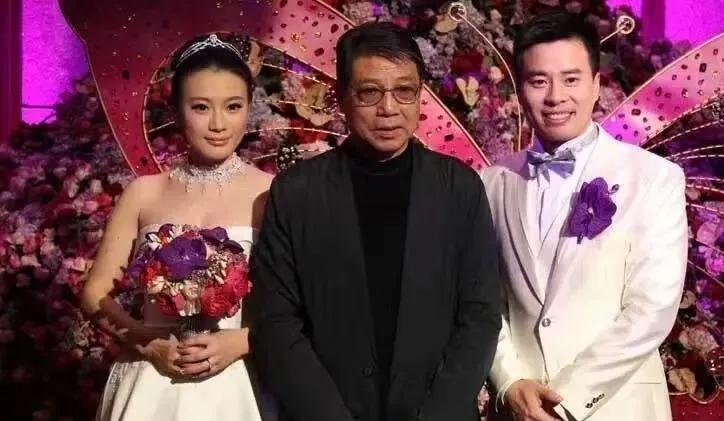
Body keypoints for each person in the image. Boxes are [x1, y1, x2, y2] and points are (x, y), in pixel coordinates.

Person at [248, 21, 501, 421]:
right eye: (369, 92)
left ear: (420, 96)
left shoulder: (459, 188)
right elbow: (275, 322)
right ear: (342, 98)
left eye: (404, 91)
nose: (389, 109)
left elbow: (481, 314)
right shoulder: (297, 192)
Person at [481, 12, 688, 421]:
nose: (555, 96)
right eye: (539, 81)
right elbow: (483, 302)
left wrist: (567, 401)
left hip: (618, 409)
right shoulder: (491, 182)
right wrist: (509, 382)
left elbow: (652, 308)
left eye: (571, 79)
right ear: (520, 90)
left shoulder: (653, 177)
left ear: (596, 85)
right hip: (520, 410)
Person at [80, 34, 275, 421]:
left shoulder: (271, 194)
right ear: (176, 110)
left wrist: (243, 341)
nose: (218, 124)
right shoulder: (144, 193)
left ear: (249, 108)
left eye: (233, 106)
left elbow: (303, 302)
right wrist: (148, 343)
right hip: (150, 379)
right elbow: (94, 293)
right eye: (200, 107)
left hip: (237, 381)